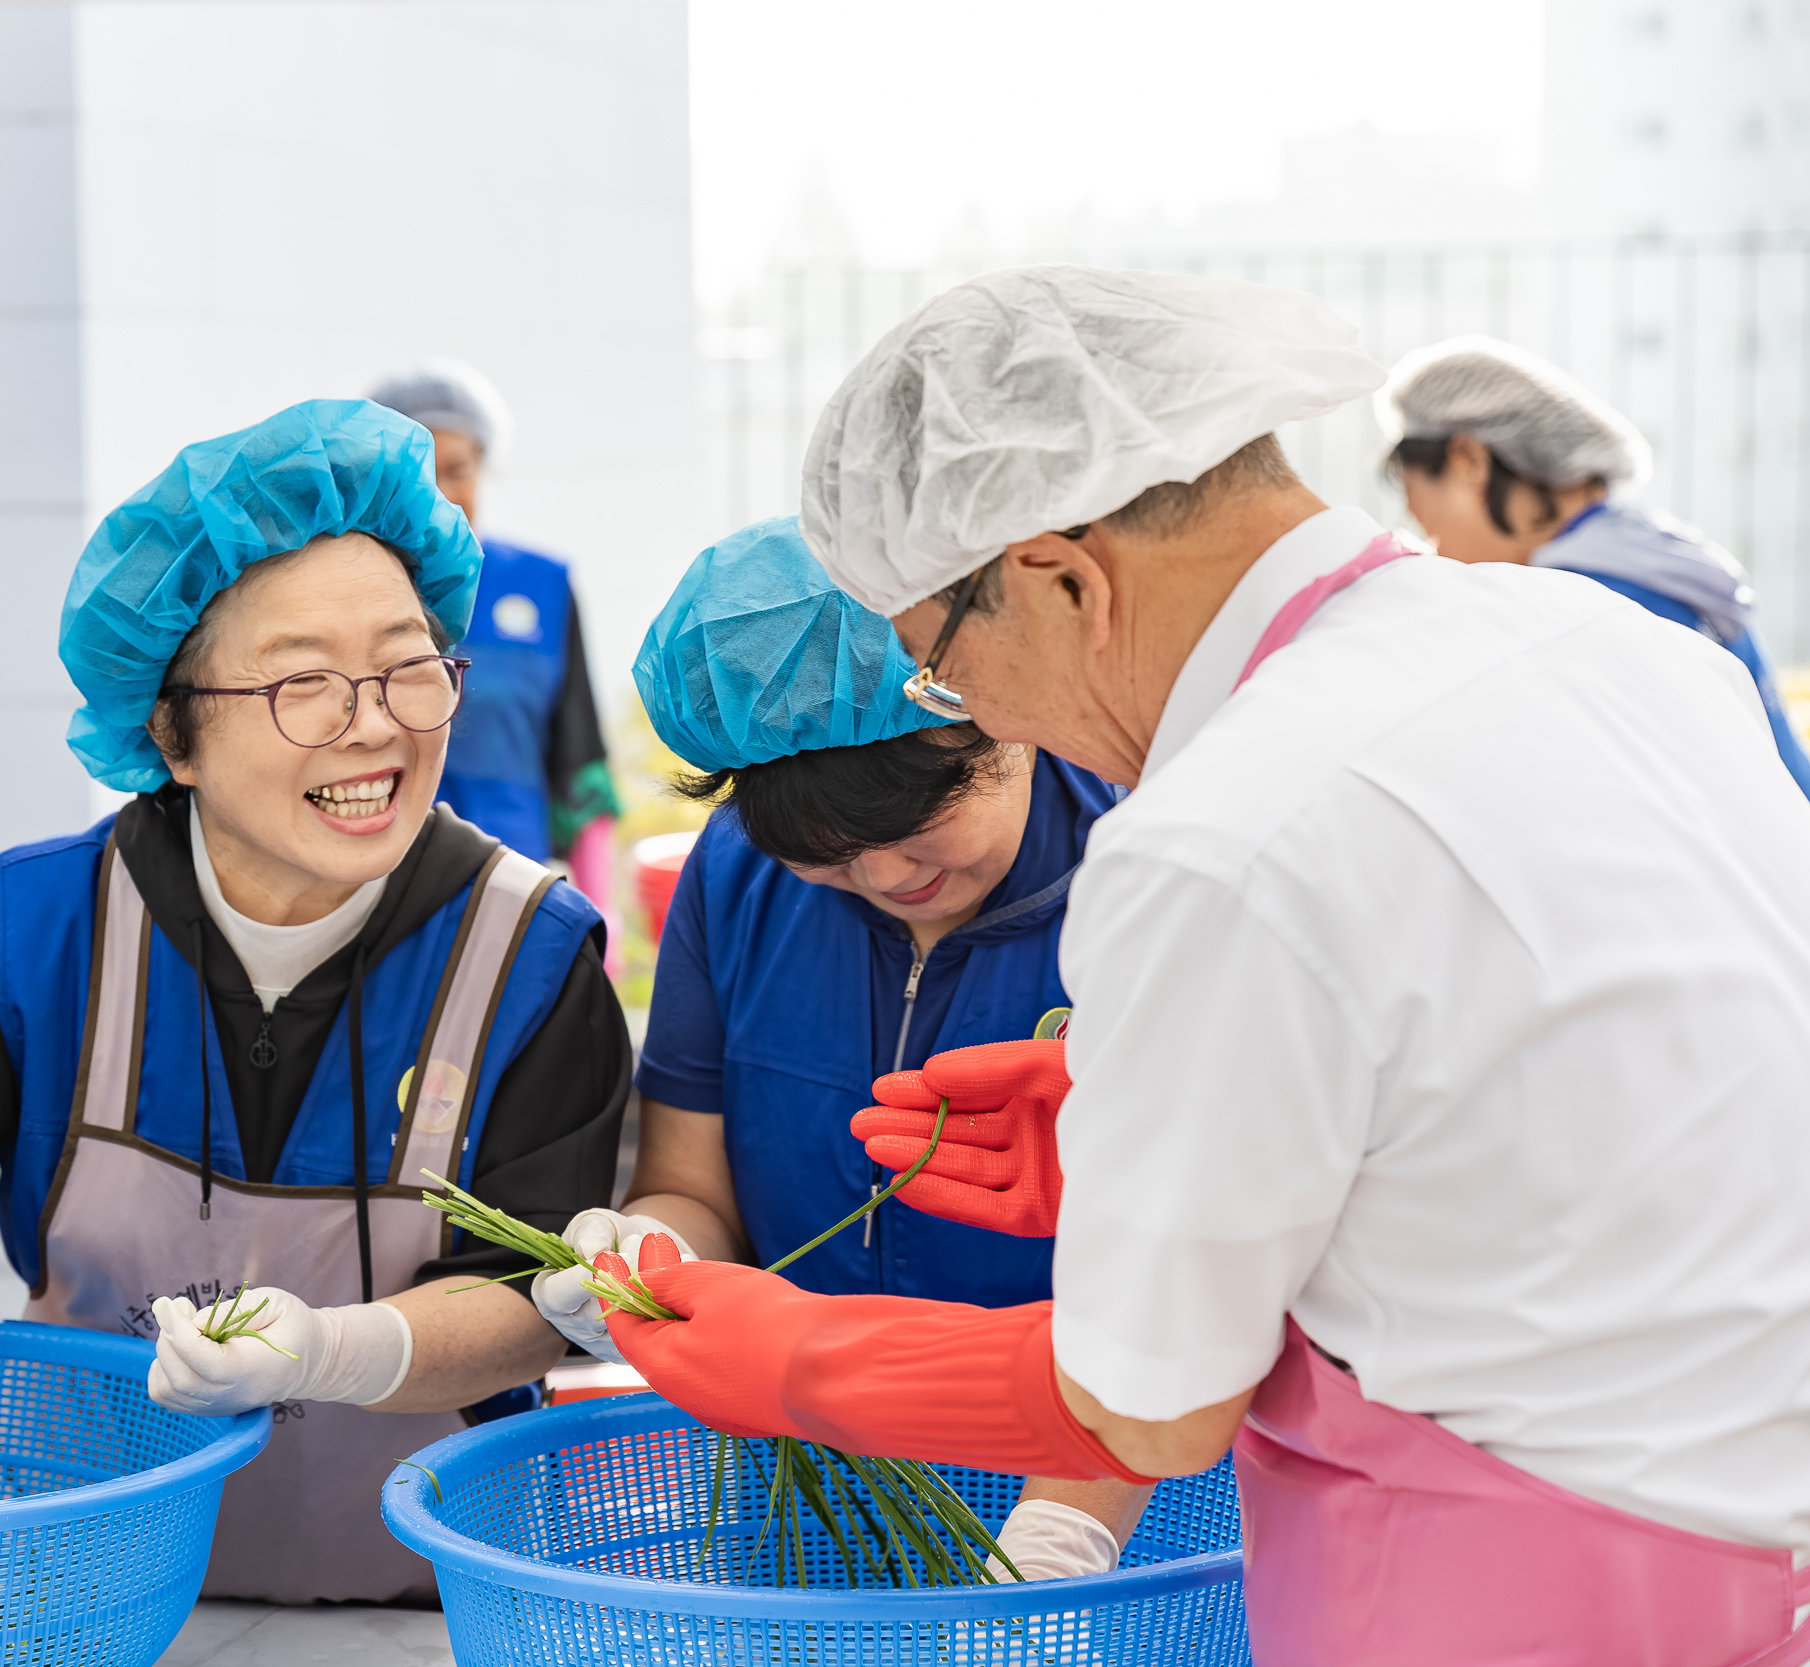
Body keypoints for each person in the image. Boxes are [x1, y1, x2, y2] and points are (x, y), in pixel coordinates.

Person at [592, 267, 1810, 1664]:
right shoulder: (1604, 642)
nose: (971, 708)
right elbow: (1580, 1081)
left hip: (1523, 1577)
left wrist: (789, 1359)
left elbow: (1151, 1401)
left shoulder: (1219, 832)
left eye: (938, 670)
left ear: (1058, 577)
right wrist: (1176, 1116)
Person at [0, 400, 630, 1606]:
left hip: (429, 1609)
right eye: (302, 683)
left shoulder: (529, 950)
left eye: (407, 666)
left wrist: (334, 1349)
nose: (373, 724)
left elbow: (539, 1298)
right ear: (170, 732)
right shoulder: (42, 926)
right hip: (92, 1597)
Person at [529, 515, 1149, 1580]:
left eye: (921, 823)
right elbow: (692, 1182)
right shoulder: (734, 878)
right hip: (802, 1482)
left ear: (998, 715)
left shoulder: (1145, 872)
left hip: (1109, 1467)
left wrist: (1061, 1535)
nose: (884, 878)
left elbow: (1185, 1274)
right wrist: (650, 1257)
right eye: (826, 856)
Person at [1382, 334, 1810, 795]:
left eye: (1428, 521)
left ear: (1469, 460)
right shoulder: (1654, 558)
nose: (1436, 550)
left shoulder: (1582, 605)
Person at [366, 364, 621, 875]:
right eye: (419, 475)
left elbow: (579, 756)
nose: (440, 494)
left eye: (457, 469)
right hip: (384, 877)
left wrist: (598, 906)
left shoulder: (542, 586)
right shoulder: (352, 590)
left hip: (513, 875)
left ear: (483, 466)